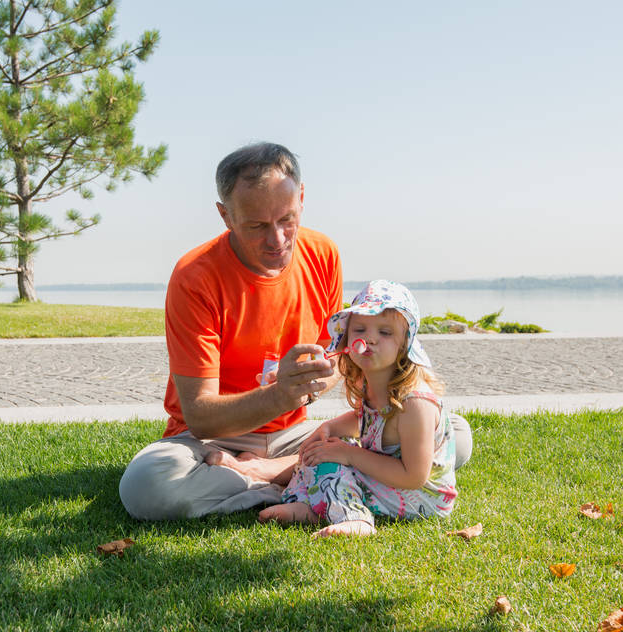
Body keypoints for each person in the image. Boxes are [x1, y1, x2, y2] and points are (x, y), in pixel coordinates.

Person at [118, 143, 472, 520]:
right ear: (226, 215)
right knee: (146, 485)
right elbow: (201, 416)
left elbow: (334, 360)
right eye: (257, 226)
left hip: (294, 434)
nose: (277, 240)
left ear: (301, 198)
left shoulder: (323, 253)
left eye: (287, 219)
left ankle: (279, 474)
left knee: (453, 432)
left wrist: (315, 381)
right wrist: (282, 394)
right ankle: (301, 479)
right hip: (212, 441)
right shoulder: (195, 276)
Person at [259, 280, 459, 537]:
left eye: (385, 333)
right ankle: (312, 507)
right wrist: (328, 428)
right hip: (389, 477)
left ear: (404, 344)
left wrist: (349, 455)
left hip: (420, 496)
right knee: (321, 452)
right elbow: (365, 418)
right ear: (347, 339)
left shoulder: (415, 403)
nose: (370, 339)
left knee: (335, 462)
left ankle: (355, 519)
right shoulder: (368, 380)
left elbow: (414, 476)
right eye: (360, 329)